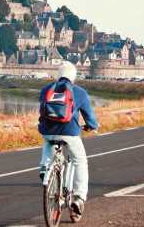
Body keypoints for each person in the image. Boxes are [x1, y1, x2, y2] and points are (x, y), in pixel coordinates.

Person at [38, 61, 99, 218]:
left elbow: (42, 111)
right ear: (73, 77)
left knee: (48, 142)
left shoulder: (46, 90)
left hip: (48, 132)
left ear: (58, 75)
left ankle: (45, 169)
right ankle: (79, 198)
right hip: (69, 133)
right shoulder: (79, 92)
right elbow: (90, 117)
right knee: (80, 161)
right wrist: (92, 126)